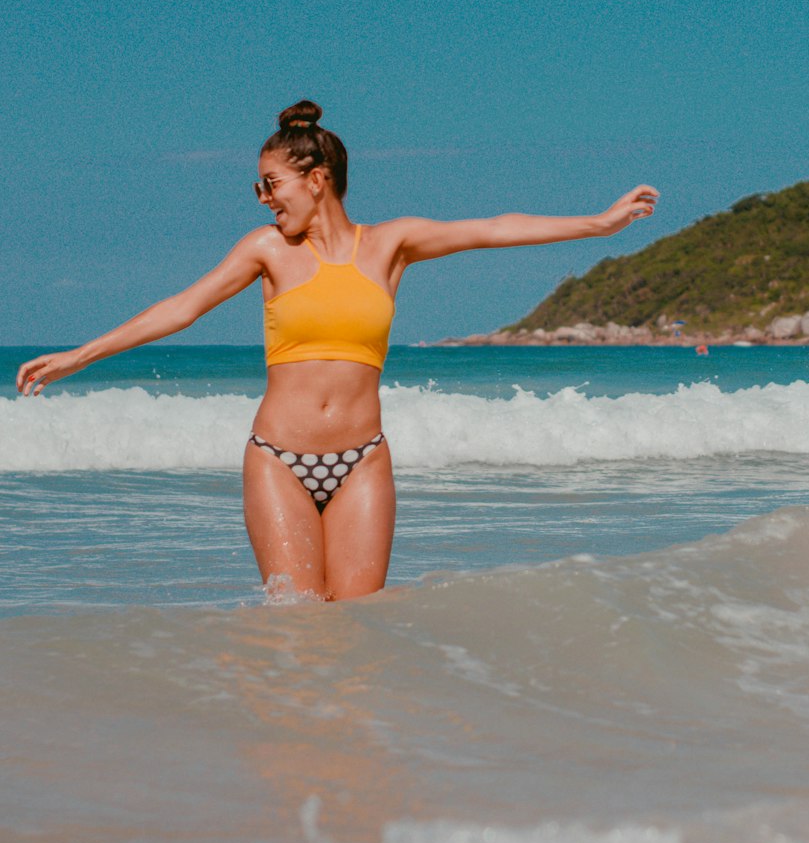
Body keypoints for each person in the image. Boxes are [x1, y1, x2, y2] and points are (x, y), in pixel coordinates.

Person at [16, 101, 659, 602]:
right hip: (279, 460)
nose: (266, 200)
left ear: (316, 180)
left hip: (362, 462)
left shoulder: (389, 246)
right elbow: (181, 308)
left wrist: (597, 224)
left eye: (272, 185)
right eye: (259, 190)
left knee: (356, 628)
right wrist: (78, 356)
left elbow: (492, 228)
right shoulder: (266, 251)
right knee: (297, 627)